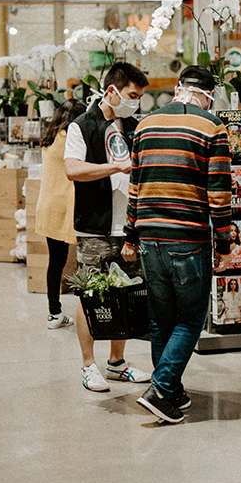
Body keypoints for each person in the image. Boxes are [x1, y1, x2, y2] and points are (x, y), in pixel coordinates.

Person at [122, 66, 232, 424]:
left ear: (177, 89)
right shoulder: (212, 127)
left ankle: (172, 392)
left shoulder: (144, 125)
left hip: (149, 237)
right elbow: (218, 193)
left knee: (161, 319)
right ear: (209, 95)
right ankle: (161, 387)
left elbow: (134, 186)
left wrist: (129, 235)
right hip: (187, 238)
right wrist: (225, 242)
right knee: (190, 318)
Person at [64, 62, 152, 392]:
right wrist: (113, 166)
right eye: (132, 95)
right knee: (91, 295)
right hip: (95, 225)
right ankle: (89, 365)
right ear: (112, 91)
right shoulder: (82, 126)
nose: (136, 102)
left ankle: (117, 362)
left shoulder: (135, 126)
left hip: (129, 225)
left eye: (140, 96)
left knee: (125, 294)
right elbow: (72, 169)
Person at [35, 98, 87, 328]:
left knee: (55, 261)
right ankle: (88, 312)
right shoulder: (71, 139)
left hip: (48, 205)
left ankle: (54, 313)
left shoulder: (50, 138)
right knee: (85, 259)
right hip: (67, 206)